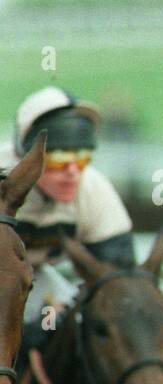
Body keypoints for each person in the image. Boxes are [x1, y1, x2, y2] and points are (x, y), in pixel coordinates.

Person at [1, 87, 136, 352]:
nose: (72, 173)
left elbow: (118, 278)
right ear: (26, 155)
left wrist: (59, 316)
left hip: (37, 282)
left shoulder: (94, 189)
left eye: (82, 159)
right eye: (59, 159)